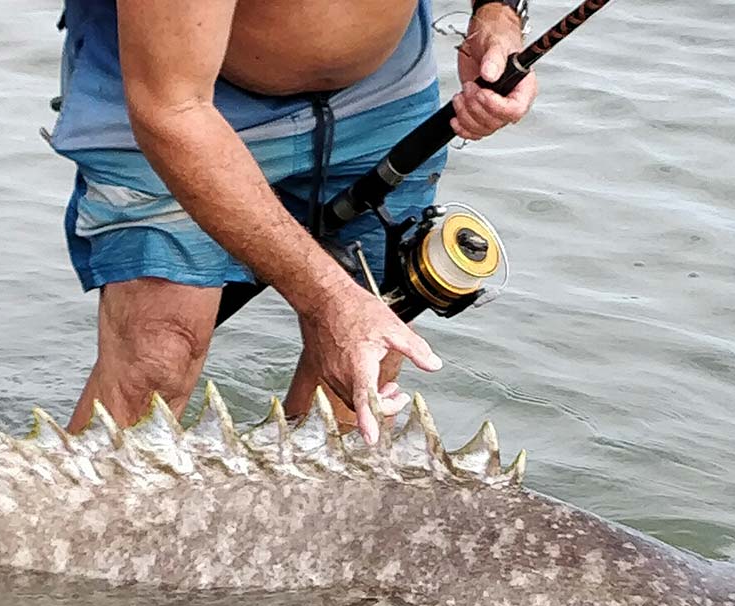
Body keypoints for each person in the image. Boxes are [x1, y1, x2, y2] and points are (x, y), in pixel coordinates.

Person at [49, 0, 537, 443]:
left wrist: (497, 18)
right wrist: (329, 300)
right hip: (173, 90)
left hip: (382, 90)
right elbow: (169, 109)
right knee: (157, 360)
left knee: (361, 383)